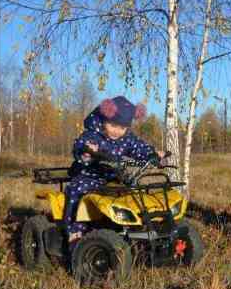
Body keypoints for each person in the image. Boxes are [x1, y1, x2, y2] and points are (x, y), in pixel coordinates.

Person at [64, 95, 164, 246]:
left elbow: (139, 147)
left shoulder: (127, 138)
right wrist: (87, 151)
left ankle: (131, 229)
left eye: (122, 128)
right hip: (89, 176)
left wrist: (152, 153)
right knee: (77, 189)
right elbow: (80, 145)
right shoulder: (93, 134)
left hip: (114, 177)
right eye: (113, 125)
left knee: (134, 194)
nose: (117, 131)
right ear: (105, 119)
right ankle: (74, 230)